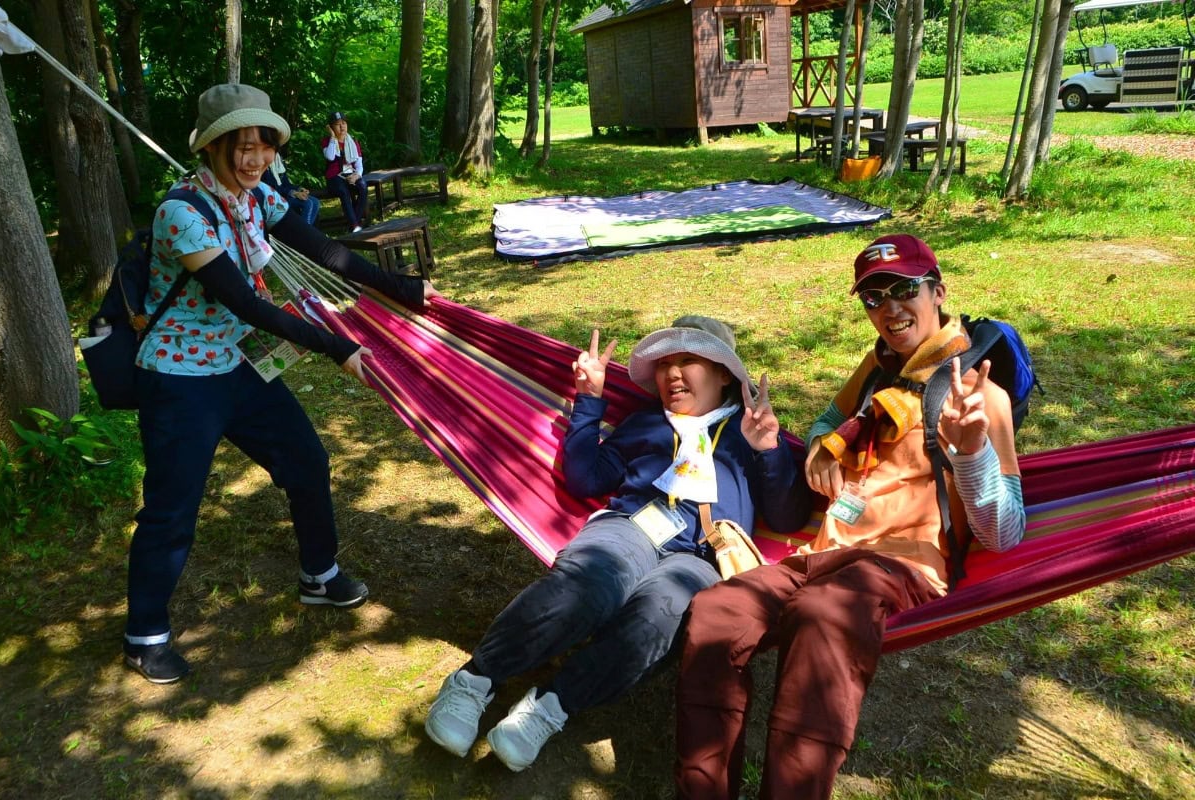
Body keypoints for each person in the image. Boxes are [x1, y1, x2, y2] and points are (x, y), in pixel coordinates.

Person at [674, 234, 1026, 800]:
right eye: (873, 297)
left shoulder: (981, 399)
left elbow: (1005, 532)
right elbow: (826, 420)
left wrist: (973, 454)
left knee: (821, 616)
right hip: (820, 554)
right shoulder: (879, 369)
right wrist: (820, 448)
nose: (888, 308)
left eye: (904, 289)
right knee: (717, 608)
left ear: (938, 292)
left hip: (902, 564)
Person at [122, 83, 443, 685]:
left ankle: (318, 576)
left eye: (264, 146)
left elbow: (326, 251)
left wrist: (404, 290)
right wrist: (334, 343)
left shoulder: (259, 196)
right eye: (242, 146)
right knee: (172, 506)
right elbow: (245, 302)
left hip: (238, 366)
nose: (255, 158)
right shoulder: (181, 213)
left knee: (305, 459)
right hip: (181, 377)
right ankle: (145, 634)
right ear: (213, 145)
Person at [424, 317, 812, 772]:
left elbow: (787, 517)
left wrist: (768, 450)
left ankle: (549, 708)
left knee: (660, 618)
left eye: (688, 360)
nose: (672, 373)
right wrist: (589, 400)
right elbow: (586, 475)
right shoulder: (646, 423)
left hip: (700, 555)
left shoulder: (751, 432)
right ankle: (474, 681)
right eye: (665, 363)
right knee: (586, 586)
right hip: (630, 527)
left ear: (724, 373)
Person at [322, 110, 368, 232]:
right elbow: (330, 157)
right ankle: (355, 226)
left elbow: (359, 165)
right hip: (334, 177)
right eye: (337, 124)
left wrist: (356, 176)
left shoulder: (353, 142)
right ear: (331, 127)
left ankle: (354, 223)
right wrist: (332, 137)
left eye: (344, 123)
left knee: (363, 186)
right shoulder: (327, 142)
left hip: (350, 173)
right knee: (343, 191)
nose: (342, 126)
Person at [262, 145, 320, 225]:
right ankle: (305, 233)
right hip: (276, 199)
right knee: (308, 203)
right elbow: (272, 189)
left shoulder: (278, 162)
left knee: (315, 202)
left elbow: (286, 184)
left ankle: (307, 232)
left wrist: (299, 189)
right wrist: (295, 193)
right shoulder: (266, 167)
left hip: (285, 195)